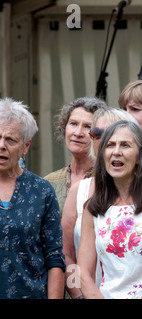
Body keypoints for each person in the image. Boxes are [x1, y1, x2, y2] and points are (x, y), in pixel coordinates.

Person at [77, 121, 142, 299]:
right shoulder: (93, 208)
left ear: (139, 156)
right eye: (110, 145)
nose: (116, 152)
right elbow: (83, 273)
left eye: (125, 145)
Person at [62, 107, 141, 298]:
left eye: (111, 134)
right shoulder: (79, 191)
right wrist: (79, 295)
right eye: (97, 134)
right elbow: (66, 253)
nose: (104, 141)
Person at [0, 98, 65, 298]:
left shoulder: (41, 191)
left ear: (26, 146)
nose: (1, 145)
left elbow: (54, 257)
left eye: (10, 140)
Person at [44, 97, 107, 214]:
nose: (78, 133)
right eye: (73, 123)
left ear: (100, 135)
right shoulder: (48, 182)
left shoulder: (109, 180)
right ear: (64, 127)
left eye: (88, 127)